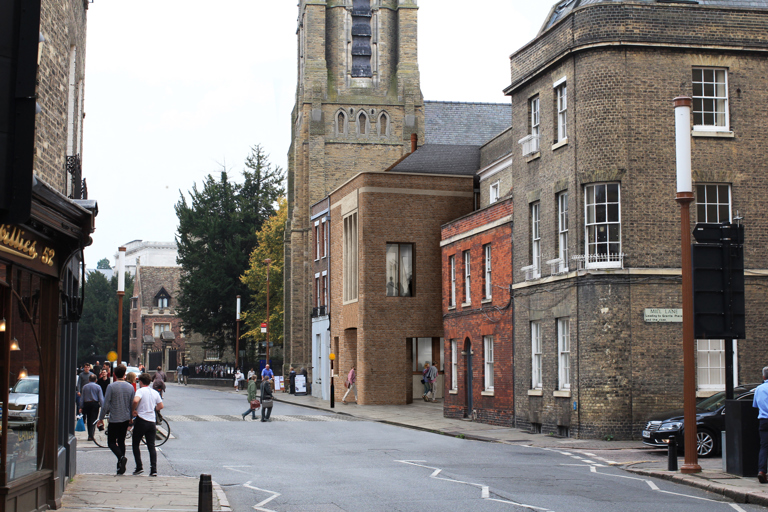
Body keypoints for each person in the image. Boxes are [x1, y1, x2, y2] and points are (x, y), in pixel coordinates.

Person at [97, 365, 135, 475]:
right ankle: (120, 465)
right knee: (121, 441)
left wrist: (101, 418)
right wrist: (131, 418)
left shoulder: (111, 387)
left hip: (114, 418)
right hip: (125, 418)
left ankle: (121, 458)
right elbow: (132, 404)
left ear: (114, 374)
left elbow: (105, 404)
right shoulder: (130, 387)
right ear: (125, 374)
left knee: (111, 442)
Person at [131, 373, 163, 477]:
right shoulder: (154, 392)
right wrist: (153, 409)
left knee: (135, 444)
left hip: (141, 420)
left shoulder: (140, 391)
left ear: (140, 381)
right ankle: (153, 469)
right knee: (151, 446)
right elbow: (161, 405)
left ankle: (139, 467)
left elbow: (136, 400)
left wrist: (133, 410)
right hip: (151, 422)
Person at [79, 373, 104, 441]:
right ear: (96, 380)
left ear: (89, 380)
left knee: (88, 419)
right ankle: (91, 434)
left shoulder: (85, 387)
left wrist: (81, 406)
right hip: (94, 404)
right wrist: (103, 407)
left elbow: (82, 397)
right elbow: (101, 398)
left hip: (87, 404)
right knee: (93, 419)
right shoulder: (98, 387)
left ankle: (89, 434)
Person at [754, 366, 768, 484]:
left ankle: (762, 471)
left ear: (763, 376)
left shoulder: (758, 389)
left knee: (764, 447)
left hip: (763, 420)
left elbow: (755, 405)